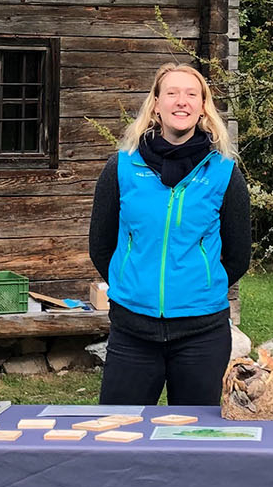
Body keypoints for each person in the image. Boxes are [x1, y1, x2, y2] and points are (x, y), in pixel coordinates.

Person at [89, 63, 251, 407]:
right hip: (133, 331)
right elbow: (100, 245)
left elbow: (238, 255)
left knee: (195, 444)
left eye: (192, 94)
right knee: (119, 434)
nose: (182, 101)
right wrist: (132, 284)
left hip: (202, 334)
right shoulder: (122, 167)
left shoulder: (223, 172)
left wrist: (199, 284)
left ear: (203, 107)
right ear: (156, 104)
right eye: (173, 93)